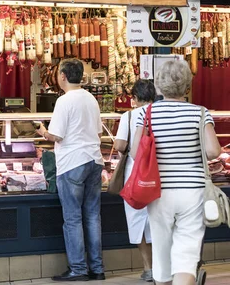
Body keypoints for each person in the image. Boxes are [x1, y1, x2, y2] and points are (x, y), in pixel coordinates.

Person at [130, 60, 221, 285]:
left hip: (157, 191)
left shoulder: (147, 113)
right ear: (187, 87)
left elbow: (134, 152)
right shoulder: (200, 113)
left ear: (159, 86)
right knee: (187, 254)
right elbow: (213, 151)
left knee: (161, 251)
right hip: (193, 192)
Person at [37, 59, 105, 281]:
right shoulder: (91, 99)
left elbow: (57, 135)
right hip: (94, 160)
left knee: (73, 218)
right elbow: (99, 133)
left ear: (63, 76)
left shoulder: (64, 101)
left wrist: (43, 132)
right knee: (93, 216)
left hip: (72, 163)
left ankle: (78, 269)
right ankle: (97, 268)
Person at [113, 79, 156, 282]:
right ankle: (163, 265)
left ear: (135, 98)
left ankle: (148, 268)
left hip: (135, 176)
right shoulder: (161, 113)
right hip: (159, 175)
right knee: (158, 221)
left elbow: (121, 145)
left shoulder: (129, 116)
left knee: (137, 221)